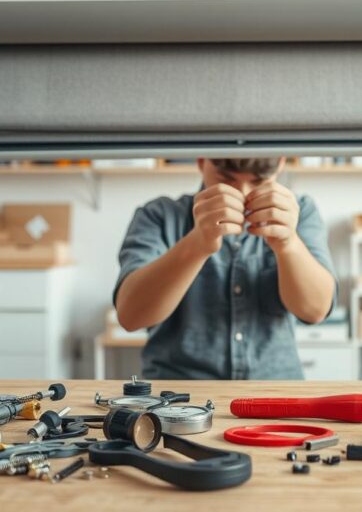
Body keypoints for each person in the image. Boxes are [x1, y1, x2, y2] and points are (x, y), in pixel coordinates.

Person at [113, 157, 337, 380]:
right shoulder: (159, 215)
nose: (242, 193)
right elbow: (131, 317)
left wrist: (288, 244)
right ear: (201, 161)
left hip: (275, 389)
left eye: (258, 181)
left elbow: (315, 310)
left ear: (279, 163)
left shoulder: (300, 212)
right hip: (178, 393)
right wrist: (198, 242)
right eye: (226, 180)